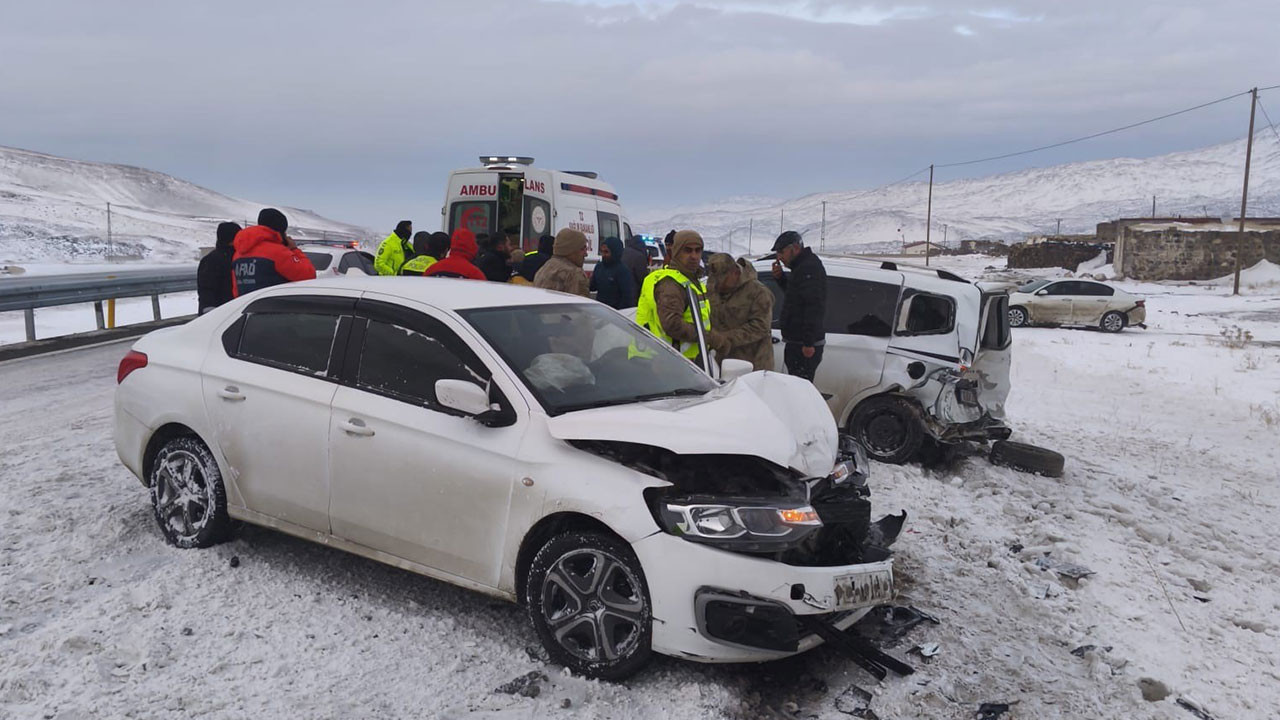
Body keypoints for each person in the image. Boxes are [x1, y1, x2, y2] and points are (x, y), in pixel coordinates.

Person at [634, 230, 727, 365]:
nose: (694, 256)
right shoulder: (671, 284)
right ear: (677, 252)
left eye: (698, 250)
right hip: (667, 363)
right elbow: (672, 323)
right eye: (687, 251)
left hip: (681, 362)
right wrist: (707, 337)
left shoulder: (691, 281)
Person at [770, 230, 826, 381]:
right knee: (796, 386)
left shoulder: (809, 268)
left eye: (781, 252)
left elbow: (812, 306)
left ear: (794, 248)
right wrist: (781, 278)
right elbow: (796, 298)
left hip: (804, 345)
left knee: (801, 388)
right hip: (797, 342)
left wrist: (808, 342)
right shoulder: (800, 268)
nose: (779, 257)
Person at [706, 253, 775, 371]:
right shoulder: (714, 289)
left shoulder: (758, 293)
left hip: (753, 365)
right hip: (722, 364)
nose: (717, 286)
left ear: (735, 273)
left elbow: (761, 326)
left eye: (721, 281)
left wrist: (725, 338)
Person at [231, 209, 316, 297]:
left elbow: (236, 290)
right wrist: (294, 249)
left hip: (246, 306)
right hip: (274, 306)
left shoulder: (238, 254)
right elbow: (308, 275)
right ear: (280, 230)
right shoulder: (278, 252)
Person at [196, 221, 241, 312]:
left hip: (228, 311)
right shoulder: (213, 260)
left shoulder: (211, 259)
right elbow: (207, 290)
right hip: (221, 313)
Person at [533, 228, 591, 297]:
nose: (586, 254)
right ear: (570, 250)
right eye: (582, 249)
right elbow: (581, 306)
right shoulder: (574, 274)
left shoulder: (545, 267)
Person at [590, 236, 636, 309]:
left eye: (606, 252)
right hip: (600, 310)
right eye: (602, 251)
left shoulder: (623, 271)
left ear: (615, 252)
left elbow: (627, 297)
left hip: (616, 312)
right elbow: (592, 286)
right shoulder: (599, 267)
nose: (603, 255)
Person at [621, 234, 650, 303]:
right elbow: (642, 278)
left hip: (621, 292)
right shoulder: (639, 257)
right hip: (633, 293)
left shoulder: (623, 252)